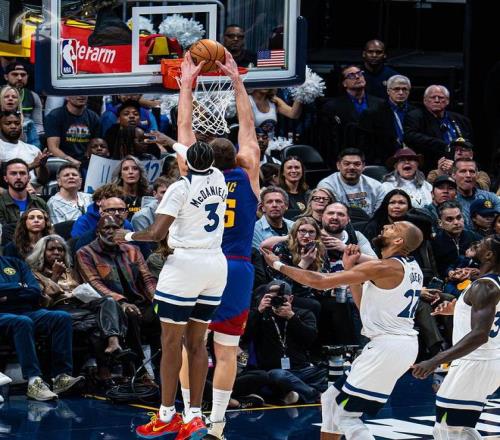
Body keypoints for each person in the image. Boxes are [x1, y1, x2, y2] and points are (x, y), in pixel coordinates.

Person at [121, 53, 228, 439]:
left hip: (185, 267)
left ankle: (167, 414)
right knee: (199, 345)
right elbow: (188, 146)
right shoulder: (219, 177)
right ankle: (195, 416)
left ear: (184, 163)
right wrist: (189, 90)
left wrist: (127, 236)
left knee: (171, 344)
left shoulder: (180, 188)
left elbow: (155, 234)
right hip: (216, 267)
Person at [261, 221, 424, 440]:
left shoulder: (383, 267)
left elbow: (321, 281)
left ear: (398, 241)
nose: (385, 226)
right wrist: (350, 270)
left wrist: (278, 265)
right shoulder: (410, 266)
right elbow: (364, 308)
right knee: (330, 399)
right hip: (395, 345)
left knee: (345, 414)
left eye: (393, 227)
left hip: (388, 346)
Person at [187, 51, 261, 439]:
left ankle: (190, 414)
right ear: (238, 158)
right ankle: (217, 423)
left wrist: (186, 85)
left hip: (201, 266)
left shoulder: (193, 176)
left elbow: (184, 129)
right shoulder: (250, 175)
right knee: (227, 349)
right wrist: (237, 81)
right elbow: (248, 128)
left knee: (191, 346)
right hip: (236, 266)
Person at [412, 235, 500, 440]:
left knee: (448, 429)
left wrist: (435, 360)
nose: (475, 244)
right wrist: (456, 309)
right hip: (487, 360)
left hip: (475, 362)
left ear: (489, 255)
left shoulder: (484, 286)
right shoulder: (489, 284)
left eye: (481, 244)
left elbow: (479, 335)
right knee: (458, 428)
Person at [26, 234, 130, 388]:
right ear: (41, 252)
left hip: (81, 306)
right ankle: (104, 371)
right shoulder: (34, 274)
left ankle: (113, 341)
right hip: (58, 311)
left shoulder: (71, 271)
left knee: (109, 301)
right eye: (51, 249)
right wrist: (55, 276)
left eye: (60, 249)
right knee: (97, 325)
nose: (57, 252)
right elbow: (42, 303)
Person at [0, 227, 84, 401]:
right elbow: (26, 289)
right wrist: (19, 287)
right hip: (4, 314)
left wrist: (9, 293)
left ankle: (61, 376)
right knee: (22, 321)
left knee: (61, 317)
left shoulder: (15, 263)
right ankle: (34, 381)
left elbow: (34, 291)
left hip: (27, 310)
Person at [76, 216, 159, 375]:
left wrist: (157, 299)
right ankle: (137, 369)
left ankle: (162, 367)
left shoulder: (132, 250)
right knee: (130, 314)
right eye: (106, 228)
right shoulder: (85, 253)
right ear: (98, 232)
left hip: (138, 301)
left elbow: (147, 278)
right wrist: (122, 302)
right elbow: (94, 284)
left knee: (162, 314)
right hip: (107, 305)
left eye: (115, 228)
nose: (111, 232)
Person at [243, 280, 325, 405]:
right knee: (278, 376)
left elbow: (310, 339)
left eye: (282, 298)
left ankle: (298, 396)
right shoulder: (259, 315)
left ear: (291, 299)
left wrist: (291, 317)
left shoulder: (304, 314)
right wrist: (259, 311)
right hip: (274, 370)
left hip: (302, 369)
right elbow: (245, 338)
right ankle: (314, 395)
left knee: (332, 370)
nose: (277, 301)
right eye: (272, 298)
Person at [317, 66, 383, 162]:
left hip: (374, 158)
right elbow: (328, 140)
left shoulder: (380, 104)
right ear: (344, 83)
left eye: (359, 73)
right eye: (351, 75)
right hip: (346, 158)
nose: (357, 77)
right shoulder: (332, 106)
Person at [403, 85, 473, 170]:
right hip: (431, 164)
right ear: (425, 101)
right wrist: (444, 145)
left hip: (461, 165)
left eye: (441, 97)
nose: (437, 100)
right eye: (433, 97)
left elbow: (470, 142)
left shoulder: (461, 119)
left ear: (447, 101)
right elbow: (410, 136)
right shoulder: (415, 116)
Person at [358, 74, 415, 164]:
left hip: (412, 159)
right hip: (383, 161)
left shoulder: (416, 112)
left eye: (404, 89)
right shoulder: (372, 113)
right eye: (396, 89)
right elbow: (366, 144)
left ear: (409, 91)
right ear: (388, 91)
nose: (401, 92)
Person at [318, 148, 385, 217]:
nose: (352, 167)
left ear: (363, 166)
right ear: (338, 165)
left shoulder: (377, 187)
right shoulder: (327, 185)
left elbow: (379, 215)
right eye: (346, 164)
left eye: (357, 164)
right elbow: (329, 215)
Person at [0, 159, 48, 244]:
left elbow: (48, 229)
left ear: (29, 178)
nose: (18, 177)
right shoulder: (1, 204)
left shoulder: (39, 203)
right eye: (13, 173)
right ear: (5, 178)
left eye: (22, 173)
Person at [431, 201, 482, 280]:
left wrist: (479, 270)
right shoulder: (435, 243)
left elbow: (489, 262)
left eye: (459, 217)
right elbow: (437, 268)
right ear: (440, 223)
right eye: (449, 219)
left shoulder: (475, 237)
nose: (456, 222)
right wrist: (449, 273)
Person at [45, 96, 101, 165]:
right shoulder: (54, 116)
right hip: (61, 162)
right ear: (67, 97)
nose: (81, 96)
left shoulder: (94, 117)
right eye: (76, 93)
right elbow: (53, 148)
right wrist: (70, 161)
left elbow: (95, 145)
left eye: (84, 93)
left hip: (86, 162)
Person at [0, 110, 48, 182]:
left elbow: (43, 180)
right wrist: (32, 165)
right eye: (8, 123)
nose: (13, 126)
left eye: (17, 123)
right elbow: (2, 175)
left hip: (34, 187)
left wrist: (42, 165)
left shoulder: (33, 149)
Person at [452, 158, 500, 229]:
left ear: (477, 175)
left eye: (472, 171)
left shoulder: (491, 197)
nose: (468, 175)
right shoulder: (449, 200)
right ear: (453, 175)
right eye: (463, 171)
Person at [3, 61, 43, 135]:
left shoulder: (33, 96)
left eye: (23, 75)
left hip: (26, 135)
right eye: (15, 74)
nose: (20, 78)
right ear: (6, 77)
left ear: (28, 76)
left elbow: (38, 124)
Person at [111, 155, 151, 220]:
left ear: (140, 173)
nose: (130, 172)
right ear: (120, 175)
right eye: (125, 169)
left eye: (135, 168)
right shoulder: (114, 197)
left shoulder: (148, 197)